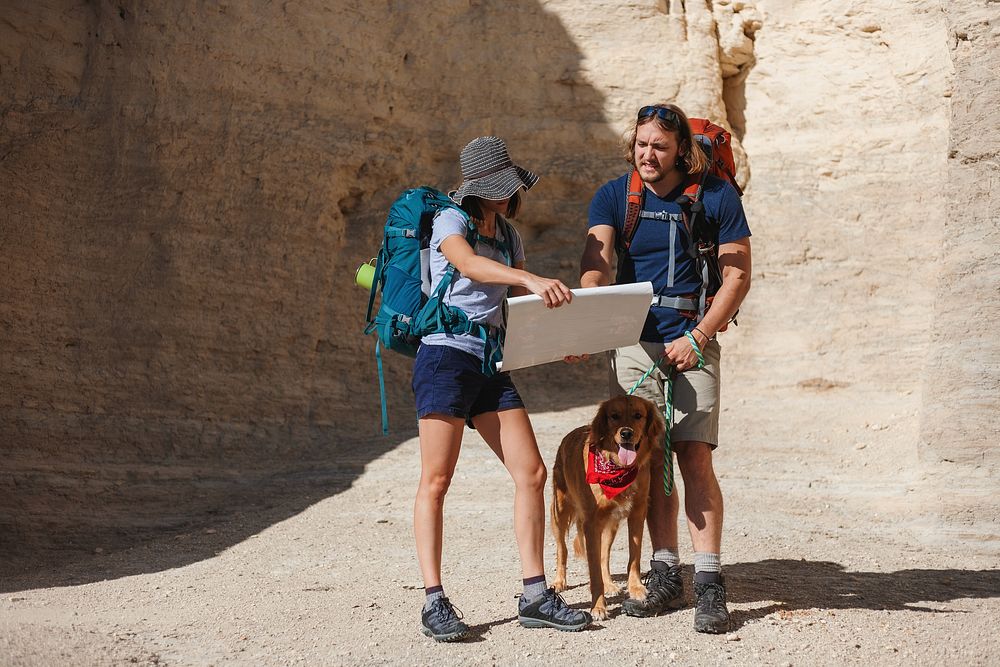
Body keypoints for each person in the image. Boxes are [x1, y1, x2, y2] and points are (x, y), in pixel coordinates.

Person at [575, 103, 752, 633]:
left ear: (681, 152)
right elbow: (598, 261)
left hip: (693, 337)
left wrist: (698, 336)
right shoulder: (614, 195)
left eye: (659, 146)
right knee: (645, 457)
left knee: (695, 455)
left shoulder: (716, 197)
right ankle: (665, 570)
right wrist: (591, 311)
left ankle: (710, 583)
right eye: (641, 144)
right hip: (633, 342)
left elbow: (736, 276)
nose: (647, 155)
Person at [413, 136, 592, 642]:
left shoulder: (508, 236)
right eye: (500, 187)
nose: (507, 194)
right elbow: (467, 265)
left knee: (531, 472)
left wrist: (565, 341)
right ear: (479, 188)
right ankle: (433, 600)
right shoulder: (451, 220)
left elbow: (520, 309)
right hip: (445, 356)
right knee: (436, 480)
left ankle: (534, 595)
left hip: (489, 362)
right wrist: (530, 277)